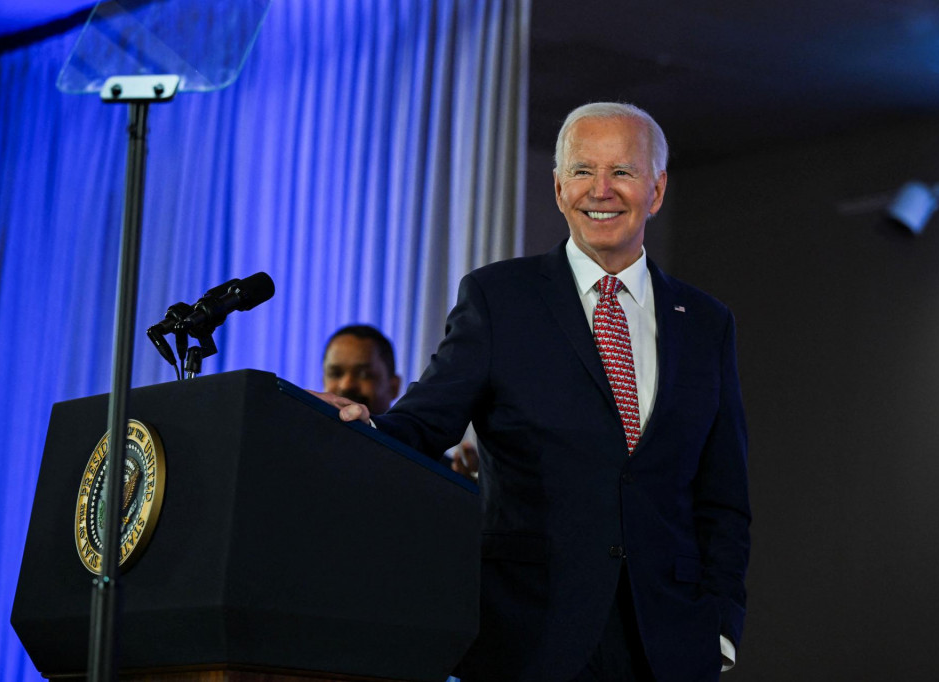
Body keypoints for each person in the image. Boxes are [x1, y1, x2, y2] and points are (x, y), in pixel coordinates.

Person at [317, 102, 750, 682]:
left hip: (668, 647)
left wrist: (720, 628)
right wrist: (358, 427)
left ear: (657, 188)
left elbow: (723, 494)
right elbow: (423, 422)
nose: (601, 190)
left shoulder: (705, 322)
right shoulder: (499, 299)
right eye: (581, 171)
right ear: (557, 188)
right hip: (528, 638)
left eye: (622, 172)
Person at [322, 324, 480, 480]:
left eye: (364, 374)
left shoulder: (441, 472)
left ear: (394, 387)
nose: (346, 385)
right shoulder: (306, 448)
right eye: (335, 373)